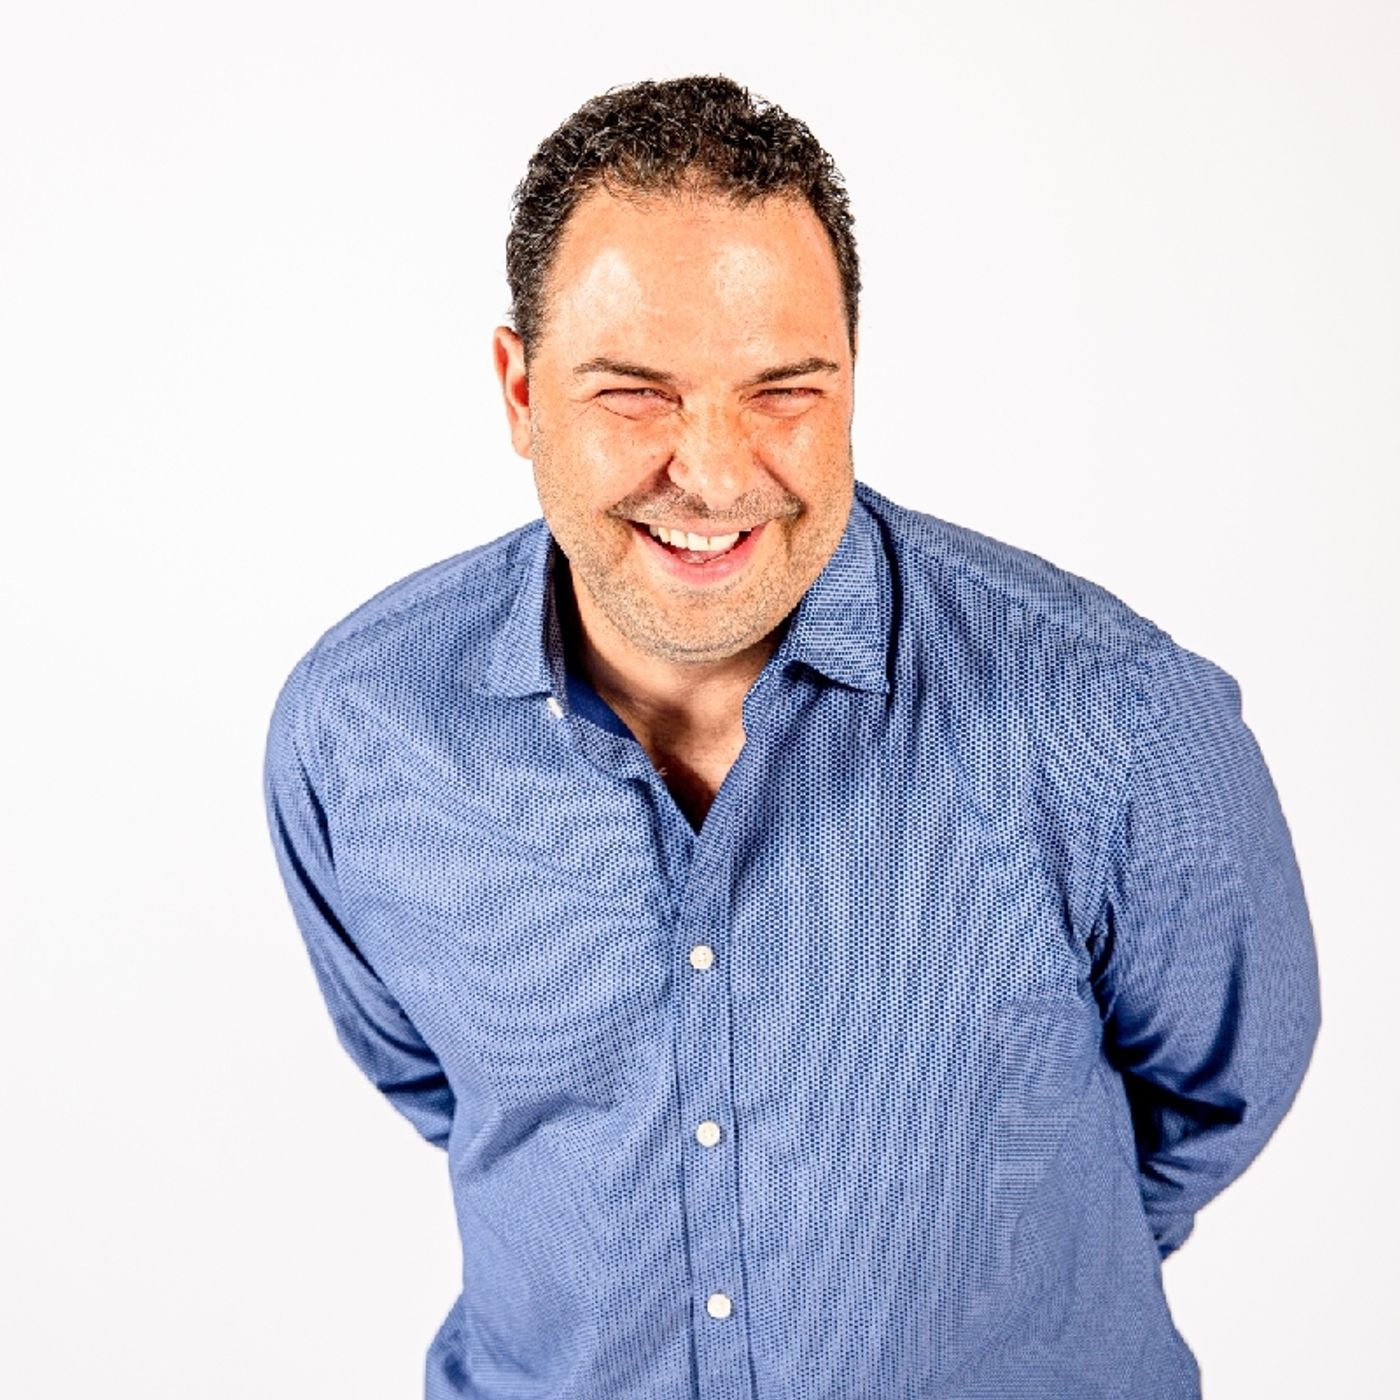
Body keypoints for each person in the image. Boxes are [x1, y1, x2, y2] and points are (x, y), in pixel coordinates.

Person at [263, 75, 1321, 1400]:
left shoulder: (1115, 719)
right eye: (635, 393)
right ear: (520, 391)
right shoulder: (359, 728)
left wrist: (1007, 1296)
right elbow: (439, 1089)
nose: (714, 474)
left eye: (783, 389)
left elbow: (1218, 1097)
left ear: (853, 379)